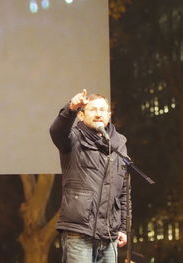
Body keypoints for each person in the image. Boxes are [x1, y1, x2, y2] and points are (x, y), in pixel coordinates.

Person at [49, 89, 130, 263]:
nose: (98, 114)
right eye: (93, 110)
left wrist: (123, 227)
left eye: (103, 110)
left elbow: (123, 190)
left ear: (109, 114)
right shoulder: (73, 139)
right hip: (79, 231)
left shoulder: (119, 144)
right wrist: (70, 108)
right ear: (81, 115)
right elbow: (56, 131)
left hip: (110, 234)